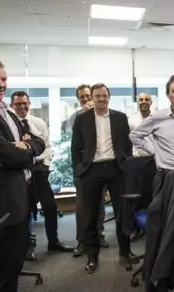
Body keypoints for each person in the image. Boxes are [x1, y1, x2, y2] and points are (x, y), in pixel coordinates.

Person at [0, 59, 45, 292]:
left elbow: (38, 141)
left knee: (14, 261)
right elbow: (6, 153)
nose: (0, 84)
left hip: (20, 195)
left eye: (3, 79)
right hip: (2, 199)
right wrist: (19, 149)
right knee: (3, 265)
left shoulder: (7, 113)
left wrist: (26, 147)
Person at [71, 83, 133, 273]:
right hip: (92, 170)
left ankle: (125, 251)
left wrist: (126, 163)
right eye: (97, 96)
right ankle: (92, 257)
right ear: (92, 98)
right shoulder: (82, 119)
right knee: (90, 216)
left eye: (104, 96)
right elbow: (76, 148)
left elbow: (126, 143)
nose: (101, 99)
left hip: (116, 168)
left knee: (122, 213)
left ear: (109, 97)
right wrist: (79, 169)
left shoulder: (121, 118)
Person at [9, 91, 73, 261]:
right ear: (11, 105)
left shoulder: (38, 123)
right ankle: (27, 247)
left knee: (50, 208)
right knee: (26, 211)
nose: (22, 107)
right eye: (18, 104)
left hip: (40, 171)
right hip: (21, 173)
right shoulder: (10, 125)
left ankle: (53, 241)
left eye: (25, 103)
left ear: (29, 103)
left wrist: (44, 163)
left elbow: (48, 146)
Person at [69, 84, 108, 257]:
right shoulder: (76, 117)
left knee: (99, 204)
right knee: (83, 207)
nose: (85, 99)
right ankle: (82, 240)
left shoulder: (104, 114)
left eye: (87, 96)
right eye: (82, 97)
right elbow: (75, 144)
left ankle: (98, 235)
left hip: (101, 165)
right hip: (84, 168)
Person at [128, 92, 153, 157]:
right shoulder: (131, 120)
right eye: (141, 100)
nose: (144, 101)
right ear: (137, 102)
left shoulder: (157, 119)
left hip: (154, 158)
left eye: (147, 99)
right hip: (137, 159)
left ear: (151, 102)